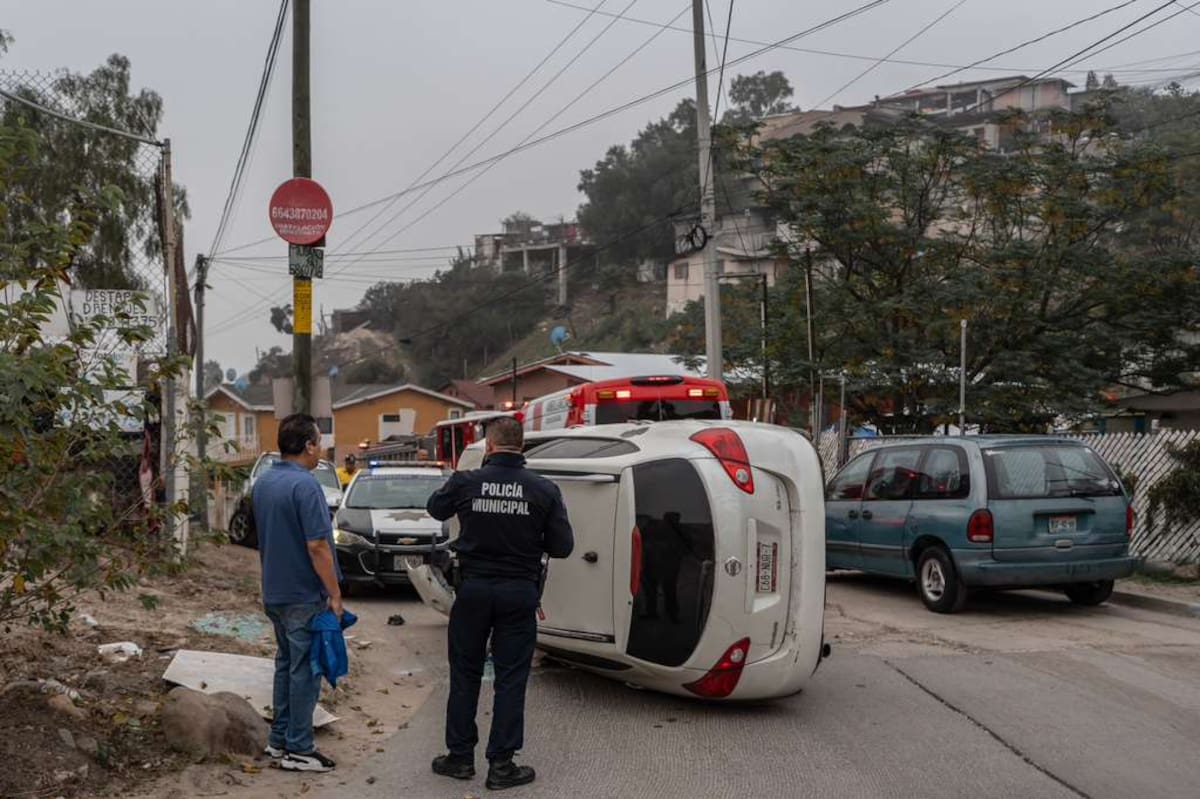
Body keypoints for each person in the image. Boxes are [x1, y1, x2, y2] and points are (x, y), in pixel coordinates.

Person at [425, 416, 574, 791]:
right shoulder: (544, 489)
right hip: (518, 594)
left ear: (488, 446)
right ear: (521, 446)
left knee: (464, 674)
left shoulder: (466, 482)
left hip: (473, 591)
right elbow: (563, 547)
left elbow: (434, 509)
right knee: (510, 679)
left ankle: (459, 758)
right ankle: (502, 765)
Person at [253, 413, 344, 773]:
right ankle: (300, 748)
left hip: (274, 590)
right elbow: (318, 545)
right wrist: (334, 594)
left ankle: (279, 741)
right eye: (318, 441)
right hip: (303, 593)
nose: (320, 448)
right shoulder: (305, 486)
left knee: (286, 664)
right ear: (308, 445)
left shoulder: (264, 481)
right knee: (305, 670)